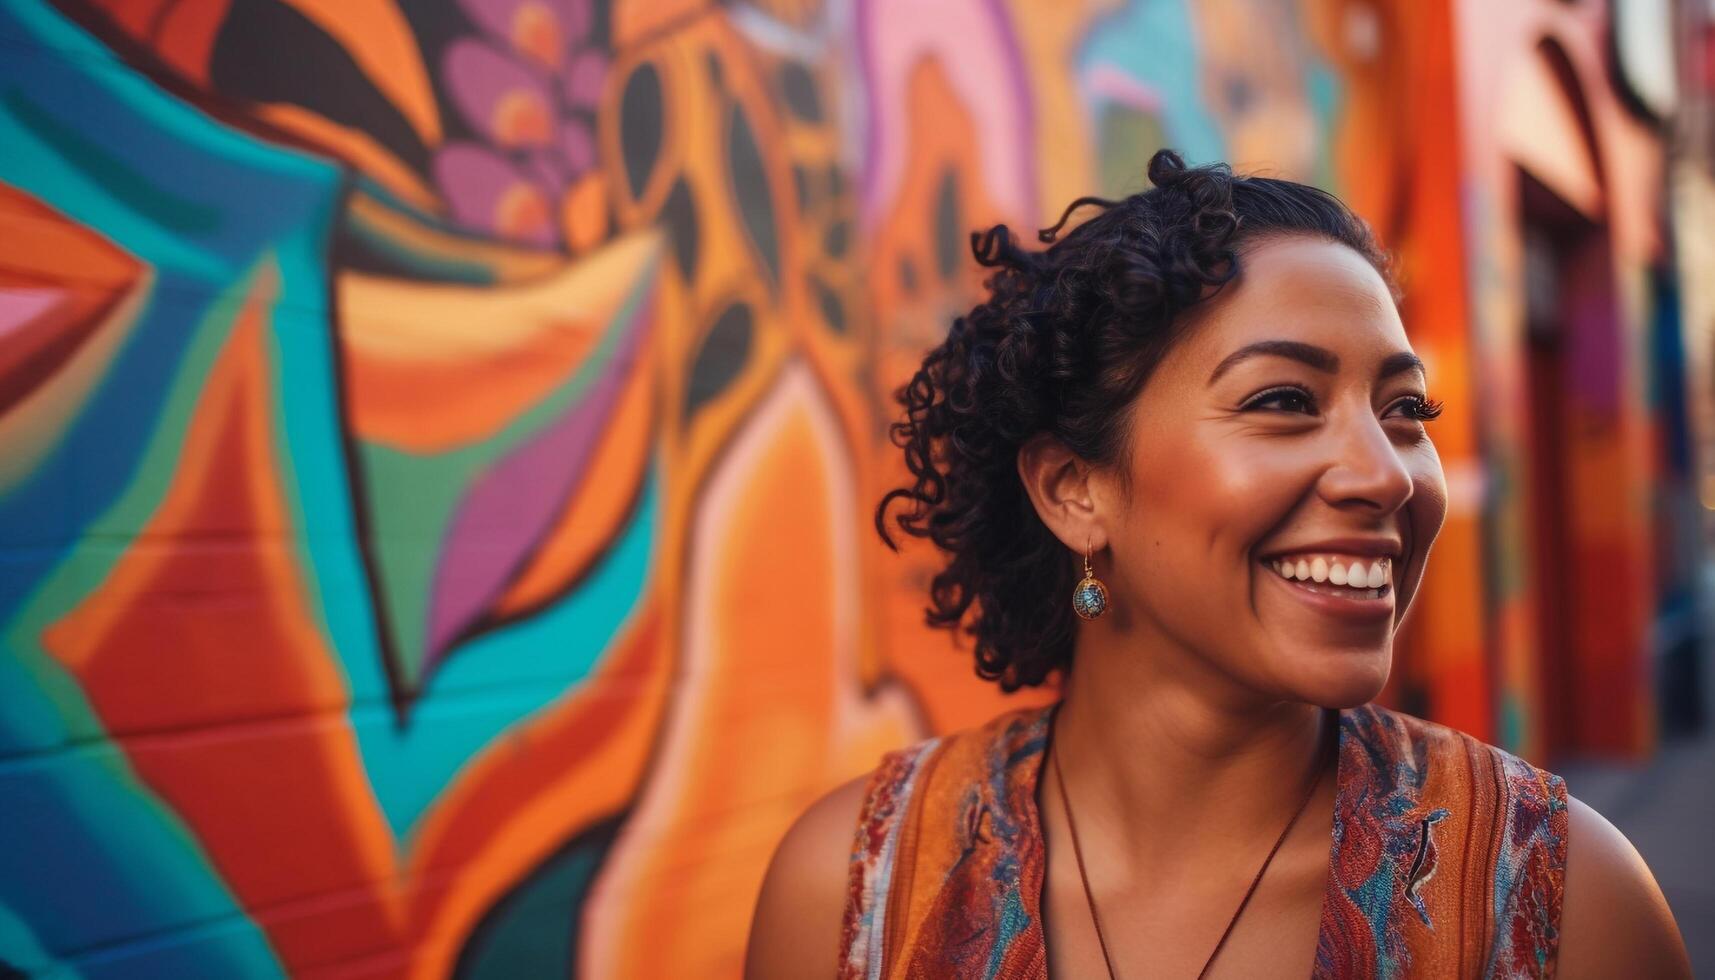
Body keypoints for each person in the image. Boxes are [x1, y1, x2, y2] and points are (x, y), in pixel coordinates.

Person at [744, 150, 1691, 979]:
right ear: (1075, 489)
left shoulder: (1555, 900)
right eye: (1283, 399)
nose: (1384, 475)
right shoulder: (857, 897)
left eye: (1405, 412)